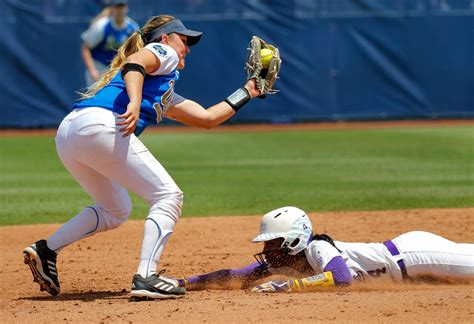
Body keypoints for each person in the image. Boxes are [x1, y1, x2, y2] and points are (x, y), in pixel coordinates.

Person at [22, 15, 264, 301]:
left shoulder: (163, 88)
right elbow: (134, 64)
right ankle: (146, 276)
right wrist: (135, 103)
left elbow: (208, 118)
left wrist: (248, 91)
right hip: (101, 126)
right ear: (164, 39)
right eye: (183, 39)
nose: (186, 47)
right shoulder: (165, 54)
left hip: (70, 133)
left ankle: (46, 249)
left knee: (116, 209)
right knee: (168, 196)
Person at [178, 206, 474, 293]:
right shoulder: (288, 260)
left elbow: (341, 277)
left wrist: (286, 287)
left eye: (272, 242)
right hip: (409, 267)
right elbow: (238, 275)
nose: (267, 249)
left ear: (293, 239)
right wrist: (186, 282)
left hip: (414, 254)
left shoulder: (317, 248)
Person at [81, 0, 139, 87]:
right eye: (116, 6)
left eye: (121, 6)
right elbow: (85, 48)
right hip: (99, 67)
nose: (119, 9)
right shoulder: (101, 26)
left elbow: (136, 51)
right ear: (112, 9)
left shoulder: (132, 28)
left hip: (117, 69)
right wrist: (92, 70)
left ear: (126, 8)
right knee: (96, 99)